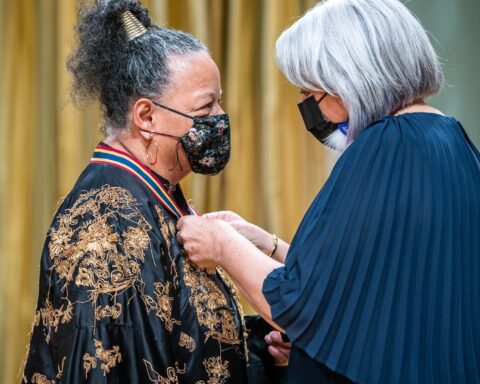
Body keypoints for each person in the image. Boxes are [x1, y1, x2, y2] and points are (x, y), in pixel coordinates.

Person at [176, 0, 480, 383]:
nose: (307, 107)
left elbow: (300, 302)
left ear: (350, 78)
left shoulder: (384, 144)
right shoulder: (451, 139)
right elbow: (365, 278)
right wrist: (266, 244)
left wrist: (221, 244)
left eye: (310, 92)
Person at [21, 1, 282, 382]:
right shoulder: (107, 223)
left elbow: (184, 339)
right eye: (206, 106)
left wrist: (263, 347)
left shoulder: (152, 194)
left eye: (219, 101)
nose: (219, 118)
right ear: (146, 117)